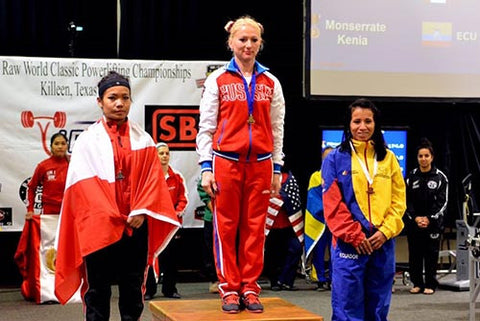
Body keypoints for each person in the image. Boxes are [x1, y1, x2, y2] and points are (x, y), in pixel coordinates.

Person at [54, 71, 180, 321]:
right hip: (99, 226)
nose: (119, 103)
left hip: (135, 225)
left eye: (125, 97)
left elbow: (153, 181)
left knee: (132, 288)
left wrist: (141, 210)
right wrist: (111, 215)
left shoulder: (144, 140)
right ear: (100, 101)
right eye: (112, 97)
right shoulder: (86, 142)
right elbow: (84, 189)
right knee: (97, 289)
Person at [196, 15, 285, 314]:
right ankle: (229, 289)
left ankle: (250, 287)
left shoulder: (271, 82)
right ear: (230, 42)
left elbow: (277, 128)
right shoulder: (217, 80)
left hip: (260, 164)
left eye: (253, 40)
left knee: (255, 229)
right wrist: (206, 167)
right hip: (226, 162)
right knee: (226, 227)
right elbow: (206, 127)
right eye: (242, 39)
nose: (248, 45)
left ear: (261, 44)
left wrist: (276, 167)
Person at [321, 98, 406, 321]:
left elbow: (399, 202)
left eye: (368, 121)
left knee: (378, 306)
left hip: (382, 242)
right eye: (356, 121)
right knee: (347, 307)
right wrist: (356, 236)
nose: (362, 127)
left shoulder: (389, 159)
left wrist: (385, 232)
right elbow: (332, 205)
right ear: (348, 124)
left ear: (375, 124)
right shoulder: (334, 160)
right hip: (349, 244)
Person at [15, 132, 70, 303]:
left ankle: (70, 287)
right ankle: (48, 288)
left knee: (68, 249)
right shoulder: (43, 166)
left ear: (67, 145)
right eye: (57, 144)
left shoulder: (74, 164)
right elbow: (31, 188)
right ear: (51, 147)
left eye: (63, 143)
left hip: (69, 215)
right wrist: (30, 209)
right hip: (49, 217)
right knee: (50, 251)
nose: (60, 146)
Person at [145, 142, 188, 300]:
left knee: (171, 259)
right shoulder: (148, 177)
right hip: (152, 225)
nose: (164, 156)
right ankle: (149, 290)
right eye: (161, 153)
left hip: (171, 226)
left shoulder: (177, 176)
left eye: (166, 153)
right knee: (150, 258)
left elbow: (184, 199)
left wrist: (175, 214)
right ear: (154, 156)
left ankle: (170, 289)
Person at [405, 138, 448, 295]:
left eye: (426, 156)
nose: (423, 159)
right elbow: (405, 200)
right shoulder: (411, 177)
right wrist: (416, 218)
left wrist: (429, 218)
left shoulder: (440, 177)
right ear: (417, 158)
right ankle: (417, 283)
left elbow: (443, 202)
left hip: (433, 224)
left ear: (432, 157)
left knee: (431, 254)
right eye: (420, 156)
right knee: (415, 254)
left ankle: (430, 284)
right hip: (414, 223)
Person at [264, 166, 304, 292]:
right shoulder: (265, 177)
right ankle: (274, 281)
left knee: (296, 248)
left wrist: (281, 198)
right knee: (273, 254)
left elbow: (295, 199)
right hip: (271, 224)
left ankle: (287, 280)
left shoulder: (290, 178)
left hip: (289, 223)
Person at [304, 146, 333, 292]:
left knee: (336, 252)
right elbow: (312, 198)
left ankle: (334, 280)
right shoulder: (316, 176)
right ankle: (320, 279)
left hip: (336, 220)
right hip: (321, 220)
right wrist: (324, 210)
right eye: (326, 157)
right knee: (319, 251)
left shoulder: (340, 175)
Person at [196, 177, 219, 294]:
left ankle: (235, 279)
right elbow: (203, 190)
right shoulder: (210, 169)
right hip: (212, 218)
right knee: (212, 249)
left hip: (232, 218)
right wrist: (216, 211)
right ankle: (215, 280)